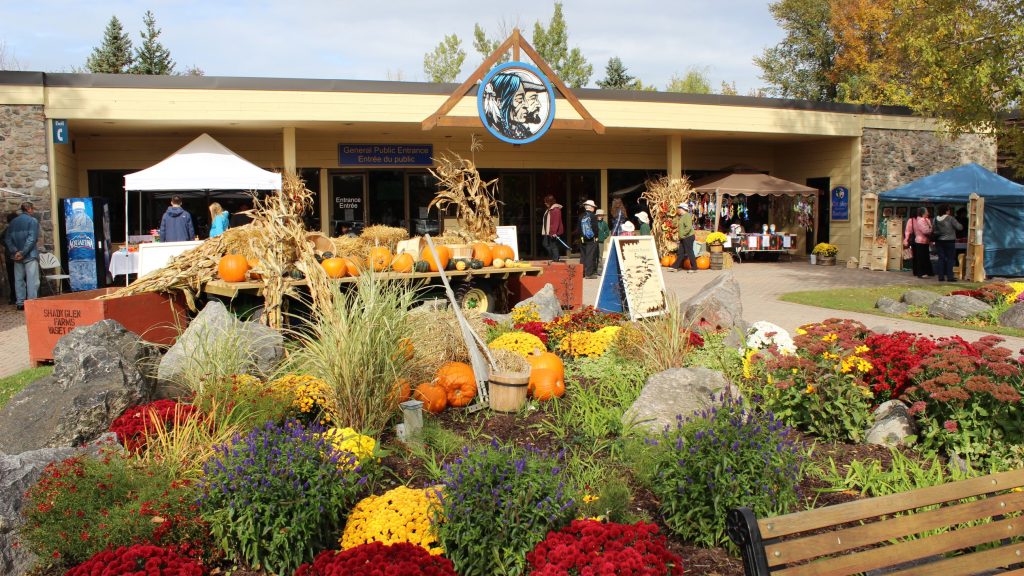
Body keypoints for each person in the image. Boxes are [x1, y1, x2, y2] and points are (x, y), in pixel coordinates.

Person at [4, 202, 40, 310]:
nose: (33, 210)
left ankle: (20, 303)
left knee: (18, 280)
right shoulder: (32, 221)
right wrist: (23, 252)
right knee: (32, 280)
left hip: (17, 256)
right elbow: (32, 238)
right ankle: (31, 303)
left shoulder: (13, 222)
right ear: (28, 209)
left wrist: (15, 252)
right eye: (32, 208)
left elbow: (7, 239)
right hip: (29, 254)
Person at [933, 204, 963, 282]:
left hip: (939, 240)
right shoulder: (950, 218)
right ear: (946, 210)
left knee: (941, 259)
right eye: (949, 210)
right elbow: (959, 227)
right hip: (949, 241)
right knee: (950, 259)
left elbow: (933, 229)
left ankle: (941, 277)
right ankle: (950, 277)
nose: (949, 211)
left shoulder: (935, 219)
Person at [904, 207, 933, 278]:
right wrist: (906, 239)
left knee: (921, 256)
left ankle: (919, 271)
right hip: (916, 240)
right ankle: (919, 272)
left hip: (919, 240)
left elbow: (908, 230)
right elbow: (908, 231)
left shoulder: (923, 219)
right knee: (919, 257)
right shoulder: (914, 220)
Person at [670, 203, 697, 274]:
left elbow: (688, 227)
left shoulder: (687, 216)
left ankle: (694, 267)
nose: (678, 210)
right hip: (684, 237)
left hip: (688, 237)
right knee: (680, 253)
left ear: (683, 209)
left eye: (679, 208)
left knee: (689, 252)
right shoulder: (682, 216)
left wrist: (682, 234)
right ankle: (675, 266)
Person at [540, 195, 564, 262]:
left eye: (546, 202)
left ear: (550, 202)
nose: (545, 203)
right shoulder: (549, 209)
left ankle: (556, 259)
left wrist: (554, 232)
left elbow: (556, 222)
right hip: (548, 231)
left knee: (553, 245)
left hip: (553, 231)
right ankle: (554, 257)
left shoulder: (555, 209)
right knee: (545, 244)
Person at [579, 200, 600, 278]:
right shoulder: (593, 216)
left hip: (582, 238)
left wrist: (580, 237)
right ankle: (589, 274)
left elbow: (579, 228)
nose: (594, 208)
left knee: (583, 256)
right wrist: (596, 236)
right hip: (591, 238)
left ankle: (582, 273)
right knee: (590, 255)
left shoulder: (581, 216)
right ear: (591, 207)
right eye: (594, 207)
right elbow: (595, 228)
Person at [2, 212, 17, 304]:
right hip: (13, 257)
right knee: (16, 278)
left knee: (13, 278)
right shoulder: (10, 229)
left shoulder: (8, 229)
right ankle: (14, 297)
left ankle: (13, 297)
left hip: (9, 257)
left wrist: (6, 245)